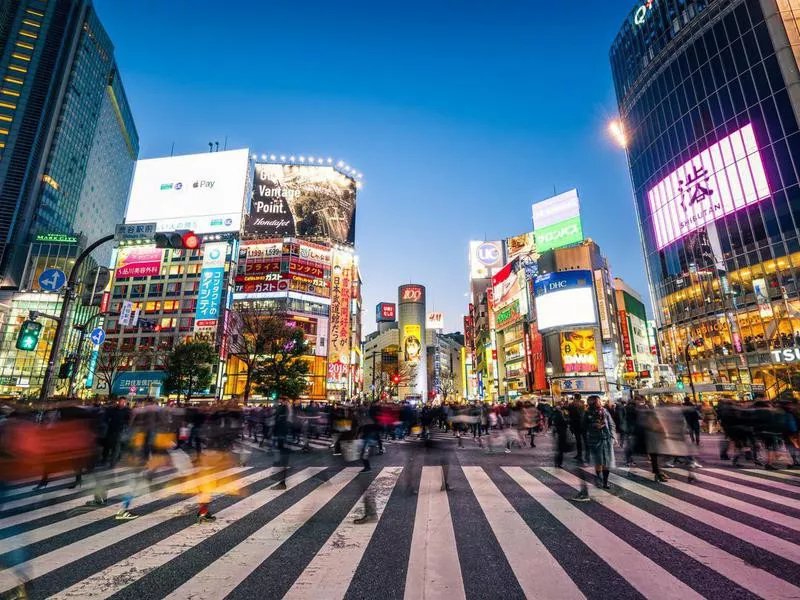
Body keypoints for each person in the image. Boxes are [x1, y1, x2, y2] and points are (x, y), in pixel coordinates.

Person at [583, 396, 615, 489]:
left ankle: (605, 482)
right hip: (595, 439)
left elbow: (611, 423)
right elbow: (584, 426)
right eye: (597, 401)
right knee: (598, 461)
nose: (599, 402)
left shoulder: (604, 411)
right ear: (592, 402)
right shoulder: (587, 413)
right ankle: (599, 477)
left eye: (599, 401)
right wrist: (594, 425)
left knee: (607, 462)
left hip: (606, 439)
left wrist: (613, 435)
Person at [568, 394, 588, 464]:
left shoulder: (571, 404)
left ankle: (579, 454)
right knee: (585, 440)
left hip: (575, 424)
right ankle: (587, 454)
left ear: (575, 397)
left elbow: (569, 415)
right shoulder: (583, 404)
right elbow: (585, 413)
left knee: (578, 440)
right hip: (583, 423)